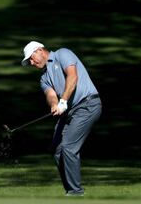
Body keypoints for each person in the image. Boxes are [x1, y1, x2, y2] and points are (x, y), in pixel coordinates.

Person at [21, 41, 102, 196]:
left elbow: (73, 76)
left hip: (88, 105)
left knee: (69, 147)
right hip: (70, 111)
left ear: (39, 50)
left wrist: (63, 101)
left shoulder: (62, 54)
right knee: (57, 149)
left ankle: (75, 192)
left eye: (31, 58)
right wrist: (54, 105)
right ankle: (70, 190)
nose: (31, 62)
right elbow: (50, 95)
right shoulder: (44, 78)